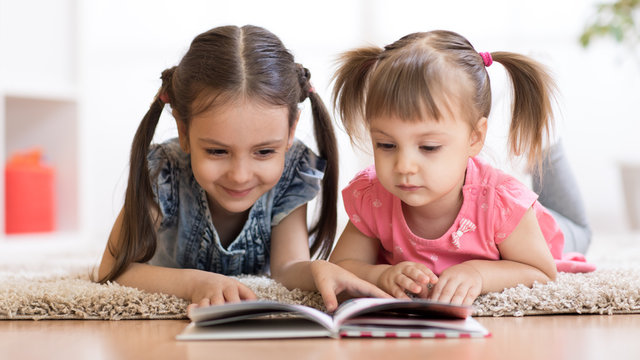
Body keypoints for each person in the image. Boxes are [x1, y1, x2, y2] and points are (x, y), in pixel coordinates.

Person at [97, 25, 388, 313]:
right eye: (217, 151)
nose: (239, 175)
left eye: (263, 152)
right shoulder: (164, 170)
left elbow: (287, 268)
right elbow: (112, 270)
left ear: (291, 131)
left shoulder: (291, 171)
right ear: (183, 131)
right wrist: (192, 283)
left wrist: (318, 270)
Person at [329, 30, 594, 306]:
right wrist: (381, 275)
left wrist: (478, 272)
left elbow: (541, 271)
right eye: (386, 145)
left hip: (541, 230)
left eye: (428, 147)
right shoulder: (374, 198)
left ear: (475, 138)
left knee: (579, 231)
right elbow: (341, 267)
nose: (404, 166)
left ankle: (546, 142)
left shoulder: (502, 203)